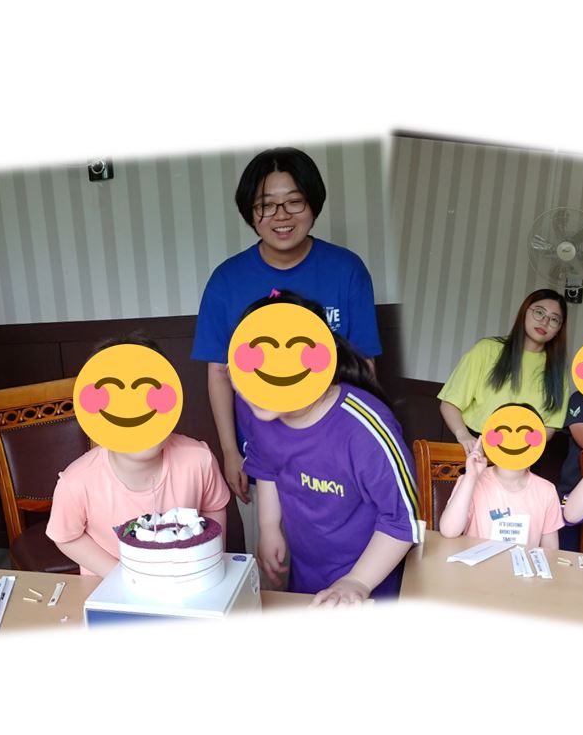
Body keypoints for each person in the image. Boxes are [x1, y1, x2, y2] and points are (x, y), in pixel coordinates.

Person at [191, 147, 382, 556]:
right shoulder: (226, 281)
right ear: (250, 211)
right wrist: (230, 452)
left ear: (313, 204)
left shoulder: (347, 270)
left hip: (335, 453)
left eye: (294, 201)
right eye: (266, 205)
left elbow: (364, 365)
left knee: (341, 564)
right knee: (271, 565)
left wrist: (360, 444)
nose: (281, 215)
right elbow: (220, 372)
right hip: (262, 457)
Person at [234, 293, 417, 606]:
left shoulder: (365, 429)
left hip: (371, 583)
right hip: (307, 575)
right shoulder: (255, 407)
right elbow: (266, 467)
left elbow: (402, 518)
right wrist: (268, 527)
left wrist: (357, 582)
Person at [47, 335, 231, 577]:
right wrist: (119, 574)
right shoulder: (76, 482)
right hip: (110, 587)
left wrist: (208, 561)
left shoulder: (199, 460)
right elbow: (66, 537)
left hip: (186, 582)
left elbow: (214, 507)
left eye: (148, 395)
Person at [439, 289, 569, 455]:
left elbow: (549, 427)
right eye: (539, 312)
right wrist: (464, 436)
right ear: (524, 312)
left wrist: (519, 451)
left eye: (554, 319)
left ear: (559, 329)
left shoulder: (557, 372)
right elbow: (449, 404)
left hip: (523, 455)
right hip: (474, 448)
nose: (545, 321)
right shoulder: (486, 349)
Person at [438, 408, 564, 550]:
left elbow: (551, 551)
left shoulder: (546, 491)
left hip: (522, 564)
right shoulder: (470, 482)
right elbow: (449, 530)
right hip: (479, 564)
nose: (514, 441)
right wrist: (471, 477)